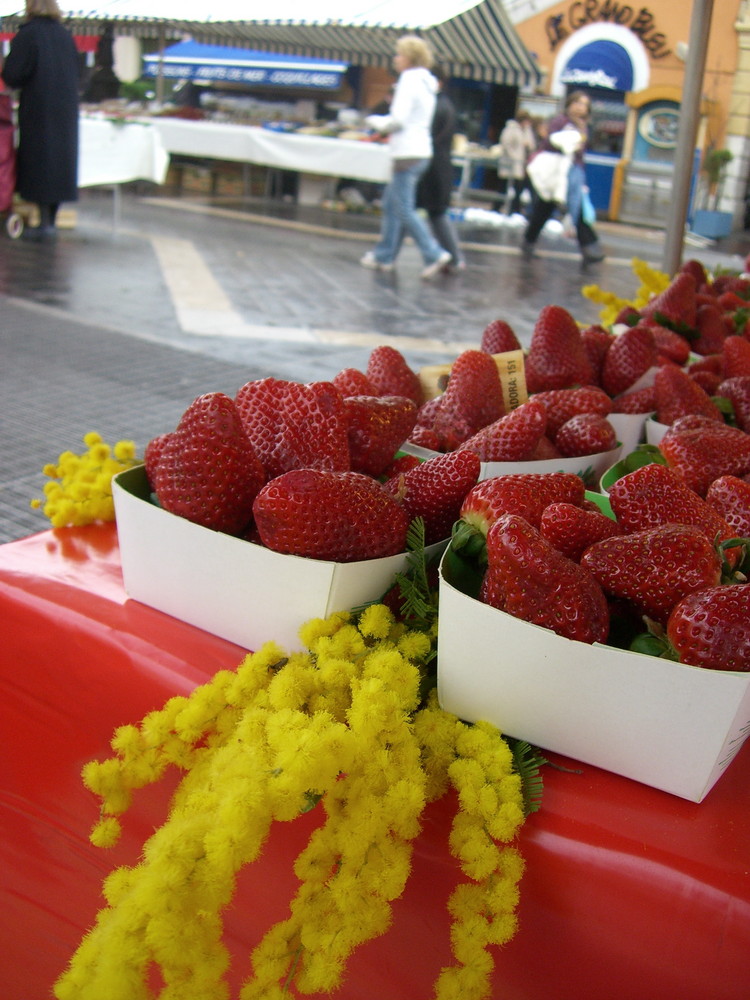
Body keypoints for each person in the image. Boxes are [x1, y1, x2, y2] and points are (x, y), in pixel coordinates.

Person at [360, 35, 452, 279]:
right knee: (392, 204)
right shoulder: (427, 84)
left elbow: (398, 120)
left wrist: (374, 121)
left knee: (403, 208)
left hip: (406, 152)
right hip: (421, 150)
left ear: (409, 57)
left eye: (399, 54)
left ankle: (433, 253)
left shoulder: (409, 81)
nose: (396, 59)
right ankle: (385, 255)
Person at [1, 0, 80, 241]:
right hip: (65, 109)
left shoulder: (29, 34)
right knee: (59, 161)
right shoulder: (65, 35)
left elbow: (14, 74)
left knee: (40, 160)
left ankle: (43, 222)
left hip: (39, 107)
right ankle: (50, 220)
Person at [521, 91, 605, 263]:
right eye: (578, 102)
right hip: (556, 171)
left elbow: (580, 151)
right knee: (558, 206)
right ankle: (588, 246)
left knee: (552, 207)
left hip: (572, 170)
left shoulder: (583, 125)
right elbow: (552, 141)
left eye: (584, 104)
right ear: (570, 104)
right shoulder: (561, 121)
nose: (580, 107)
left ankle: (530, 241)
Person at [414, 66, 465, 271]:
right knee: (429, 212)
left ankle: (452, 257)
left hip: (434, 168)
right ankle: (453, 257)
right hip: (439, 167)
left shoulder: (437, 105)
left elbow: (430, 136)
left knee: (432, 213)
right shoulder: (443, 104)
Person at [497, 109, 536, 216]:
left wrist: (529, 145)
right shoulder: (511, 129)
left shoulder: (527, 130)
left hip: (521, 165)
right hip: (510, 163)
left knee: (518, 188)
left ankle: (514, 209)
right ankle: (497, 207)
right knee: (504, 186)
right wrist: (514, 157)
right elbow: (506, 144)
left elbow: (531, 144)